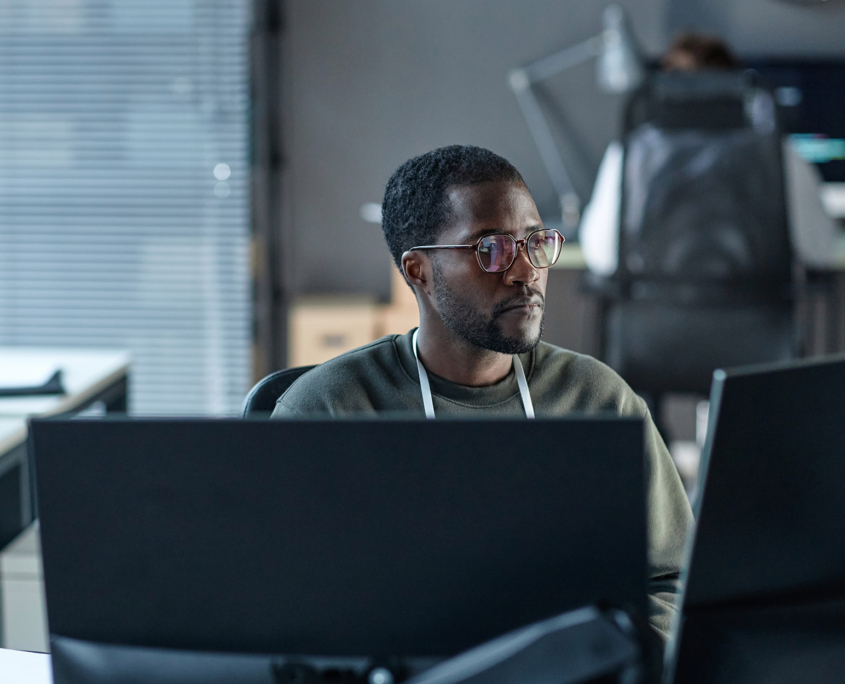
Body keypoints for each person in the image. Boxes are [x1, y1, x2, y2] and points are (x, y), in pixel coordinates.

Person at [272, 145, 693, 645]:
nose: (525, 272)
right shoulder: (328, 411)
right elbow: (282, 613)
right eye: (491, 249)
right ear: (418, 272)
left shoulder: (598, 402)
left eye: (536, 242)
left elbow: (672, 584)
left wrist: (609, 658)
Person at [580, 31, 845, 276]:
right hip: (757, 320)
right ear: (736, 90)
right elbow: (820, 248)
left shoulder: (633, 156)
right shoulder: (776, 154)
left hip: (655, 319)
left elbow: (601, 254)